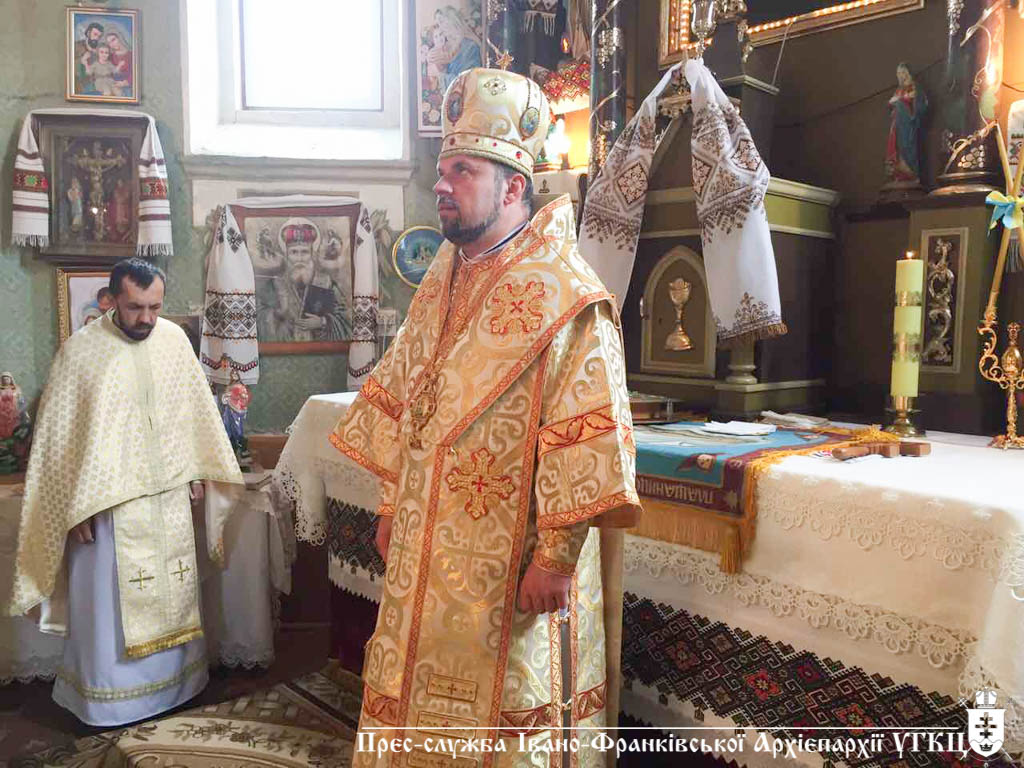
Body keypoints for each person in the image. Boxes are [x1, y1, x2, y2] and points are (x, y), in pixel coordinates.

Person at [331, 68, 641, 766]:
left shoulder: (568, 295)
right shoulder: (444, 276)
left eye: (461, 171)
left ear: (511, 187)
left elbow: (583, 433)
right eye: (442, 170)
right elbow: (407, 399)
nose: (440, 185)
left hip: (511, 567)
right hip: (425, 550)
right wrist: (392, 502)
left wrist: (555, 558)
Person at [4, 258, 244, 726]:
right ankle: (111, 703)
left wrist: (195, 469)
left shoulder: (174, 341)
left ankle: (177, 689)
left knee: (175, 595)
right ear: (111, 300)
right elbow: (59, 442)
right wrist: (71, 508)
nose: (147, 318)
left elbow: (189, 411)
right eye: (136, 307)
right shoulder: (81, 352)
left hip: (169, 502)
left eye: (155, 306)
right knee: (109, 613)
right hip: (107, 509)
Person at [255, 218, 350, 341]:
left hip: (321, 350)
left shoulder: (326, 283)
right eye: (294, 252)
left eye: (304, 252)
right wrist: (279, 313)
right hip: (283, 350)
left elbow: (345, 317)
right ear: (286, 254)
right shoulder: (274, 284)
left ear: (312, 254)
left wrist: (322, 322)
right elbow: (258, 318)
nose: (299, 258)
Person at [884, 62, 928, 189]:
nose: (901, 75)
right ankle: (899, 175)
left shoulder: (914, 87)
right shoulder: (899, 90)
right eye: (898, 73)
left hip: (908, 125)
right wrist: (898, 101)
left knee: (907, 147)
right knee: (897, 149)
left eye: (903, 72)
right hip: (897, 125)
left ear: (908, 73)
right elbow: (891, 103)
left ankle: (911, 175)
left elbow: (919, 104)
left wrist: (901, 101)